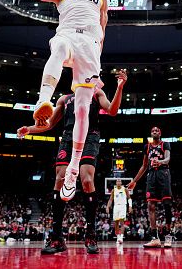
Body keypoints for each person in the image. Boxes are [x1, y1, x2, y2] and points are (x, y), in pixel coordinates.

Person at [24, 0, 109, 201]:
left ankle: (73, 168)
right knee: (58, 47)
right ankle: (43, 102)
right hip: (69, 36)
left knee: (83, 108)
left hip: (91, 48)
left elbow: (103, 31)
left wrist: (98, 65)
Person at [18, 70, 127, 254]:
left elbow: (113, 110)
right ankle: (56, 237)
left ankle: (91, 233)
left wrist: (120, 87)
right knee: (60, 178)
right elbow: (49, 124)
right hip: (68, 137)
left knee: (86, 180)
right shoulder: (64, 99)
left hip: (90, 136)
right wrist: (28, 129)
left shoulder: (95, 93)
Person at [127, 127, 173, 248]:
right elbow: (144, 166)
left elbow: (168, 159)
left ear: (160, 133)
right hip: (151, 175)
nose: (155, 131)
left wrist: (161, 162)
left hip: (163, 173)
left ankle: (168, 235)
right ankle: (155, 238)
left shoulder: (165, 144)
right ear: (151, 133)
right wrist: (134, 181)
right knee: (150, 205)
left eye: (157, 130)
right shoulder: (147, 147)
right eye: (153, 130)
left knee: (167, 204)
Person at [106, 178, 133, 244]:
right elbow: (110, 200)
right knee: (116, 223)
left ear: (121, 183)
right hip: (116, 206)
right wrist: (107, 207)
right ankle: (118, 237)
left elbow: (129, 198)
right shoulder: (113, 190)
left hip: (123, 206)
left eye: (119, 181)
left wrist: (130, 206)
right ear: (116, 183)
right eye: (117, 181)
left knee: (122, 222)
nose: (118, 182)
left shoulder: (125, 189)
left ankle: (121, 237)